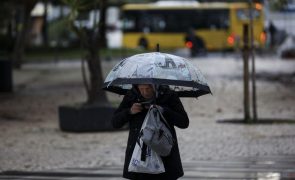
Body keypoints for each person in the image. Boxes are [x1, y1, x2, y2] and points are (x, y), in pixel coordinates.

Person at [112, 84, 189, 180]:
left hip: (164, 155)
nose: (144, 92)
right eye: (141, 89)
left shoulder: (169, 95)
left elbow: (184, 122)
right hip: (139, 156)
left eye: (147, 88)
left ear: (154, 85)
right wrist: (129, 111)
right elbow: (115, 122)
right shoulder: (131, 96)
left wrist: (164, 111)